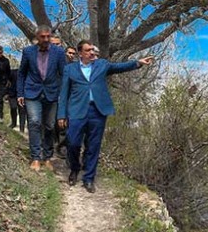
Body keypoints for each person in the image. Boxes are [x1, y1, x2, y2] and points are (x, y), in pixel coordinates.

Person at [57, 40, 153, 192]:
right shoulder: (70, 69)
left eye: (93, 50)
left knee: (93, 145)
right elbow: (63, 93)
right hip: (76, 111)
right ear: (80, 53)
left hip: (97, 111)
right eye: (88, 50)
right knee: (73, 143)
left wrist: (138, 63)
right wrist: (61, 115)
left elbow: (119, 67)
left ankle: (89, 178)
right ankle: (75, 168)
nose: (92, 52)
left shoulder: (101, 64)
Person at [17, 25, 66, 171]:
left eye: (48, 36)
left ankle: (47, 157)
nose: (46, 39)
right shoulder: (28, 52)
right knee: (34, 122)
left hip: (52, 93)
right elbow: (21, 73)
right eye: (42, 36)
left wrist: (63, 95)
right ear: (37, 37)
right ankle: (36, 157)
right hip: (32, 92)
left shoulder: (58, 52)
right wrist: (20, 92)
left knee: (50, 125)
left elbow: (63, 74)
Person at [7, 68, 26, 132]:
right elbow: (6, 80)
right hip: (12, 94)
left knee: (22, 111)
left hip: (23, 95)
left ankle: (22, 128)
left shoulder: (28, 73)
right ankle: (13, 123)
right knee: (13, 107)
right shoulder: (13, 72)